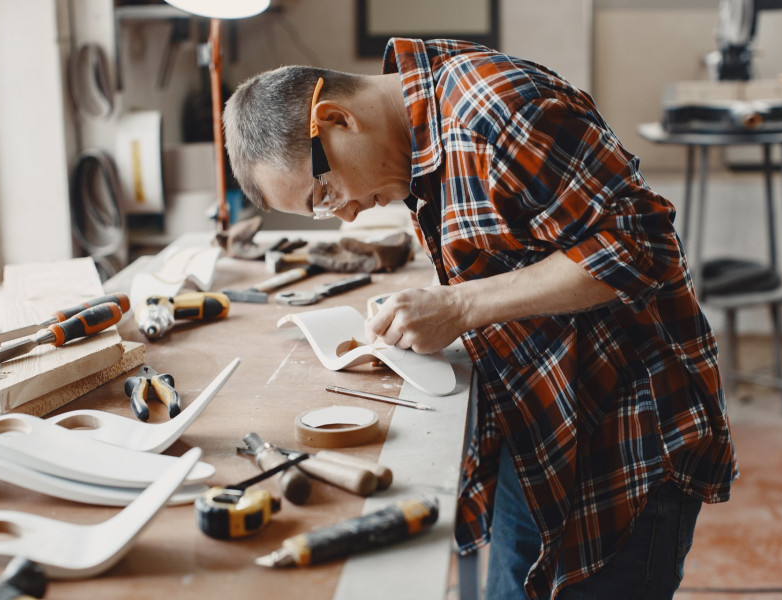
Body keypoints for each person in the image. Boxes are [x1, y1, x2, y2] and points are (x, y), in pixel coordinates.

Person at [222, 38, 737, 599]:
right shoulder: (419, 144)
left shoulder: (496, 111)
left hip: (625, 438)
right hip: (537, 430)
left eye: (323, 193)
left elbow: (641, 248)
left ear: (336, 119)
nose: (344, 216)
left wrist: (461, 306)